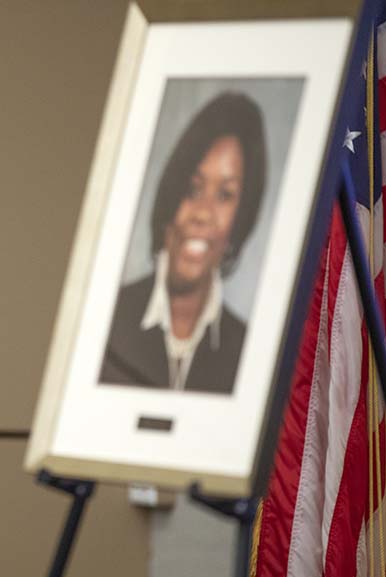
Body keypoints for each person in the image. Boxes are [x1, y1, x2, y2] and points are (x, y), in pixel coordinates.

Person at [100, 92, 266, 393]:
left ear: (241, 217)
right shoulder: (105, 321)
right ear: (171, 195)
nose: (202, 213)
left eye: (225, 195)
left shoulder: (251, 352)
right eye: (192, 189)